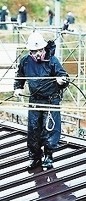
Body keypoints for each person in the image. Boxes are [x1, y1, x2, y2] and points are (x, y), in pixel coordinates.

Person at [13, 31, 69, 170]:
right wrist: (18, 87)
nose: (37, 54)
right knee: (33, 129)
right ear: (30, 51)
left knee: (50, 128)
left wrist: (61, 80)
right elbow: (19, 76)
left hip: (51, 100)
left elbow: (64, 77)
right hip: (35, 100)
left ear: (44, 48)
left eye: (40, 50)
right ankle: (34, 157)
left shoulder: (52, 61)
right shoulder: (25, 61)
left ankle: (48, 156)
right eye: (34, 51)